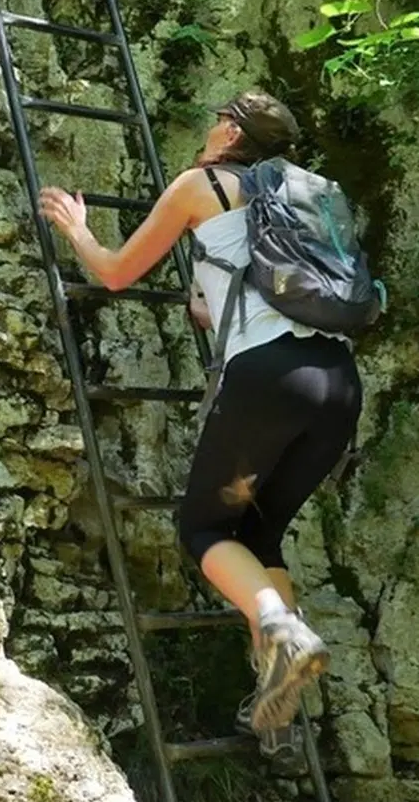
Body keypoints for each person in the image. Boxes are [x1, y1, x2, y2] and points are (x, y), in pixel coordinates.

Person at [37, 90, 364, 763]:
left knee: (205, 529)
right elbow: (280, 288)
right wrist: (211, 307)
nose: (211, 127)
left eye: (220, 119)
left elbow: (119, 272)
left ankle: (281, 630)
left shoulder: (201, 183)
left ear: (230, 132)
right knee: (259, 532)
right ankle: (277, 694)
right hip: (335, 385)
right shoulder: (300, 200)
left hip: (269, 381)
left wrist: (77, 230)